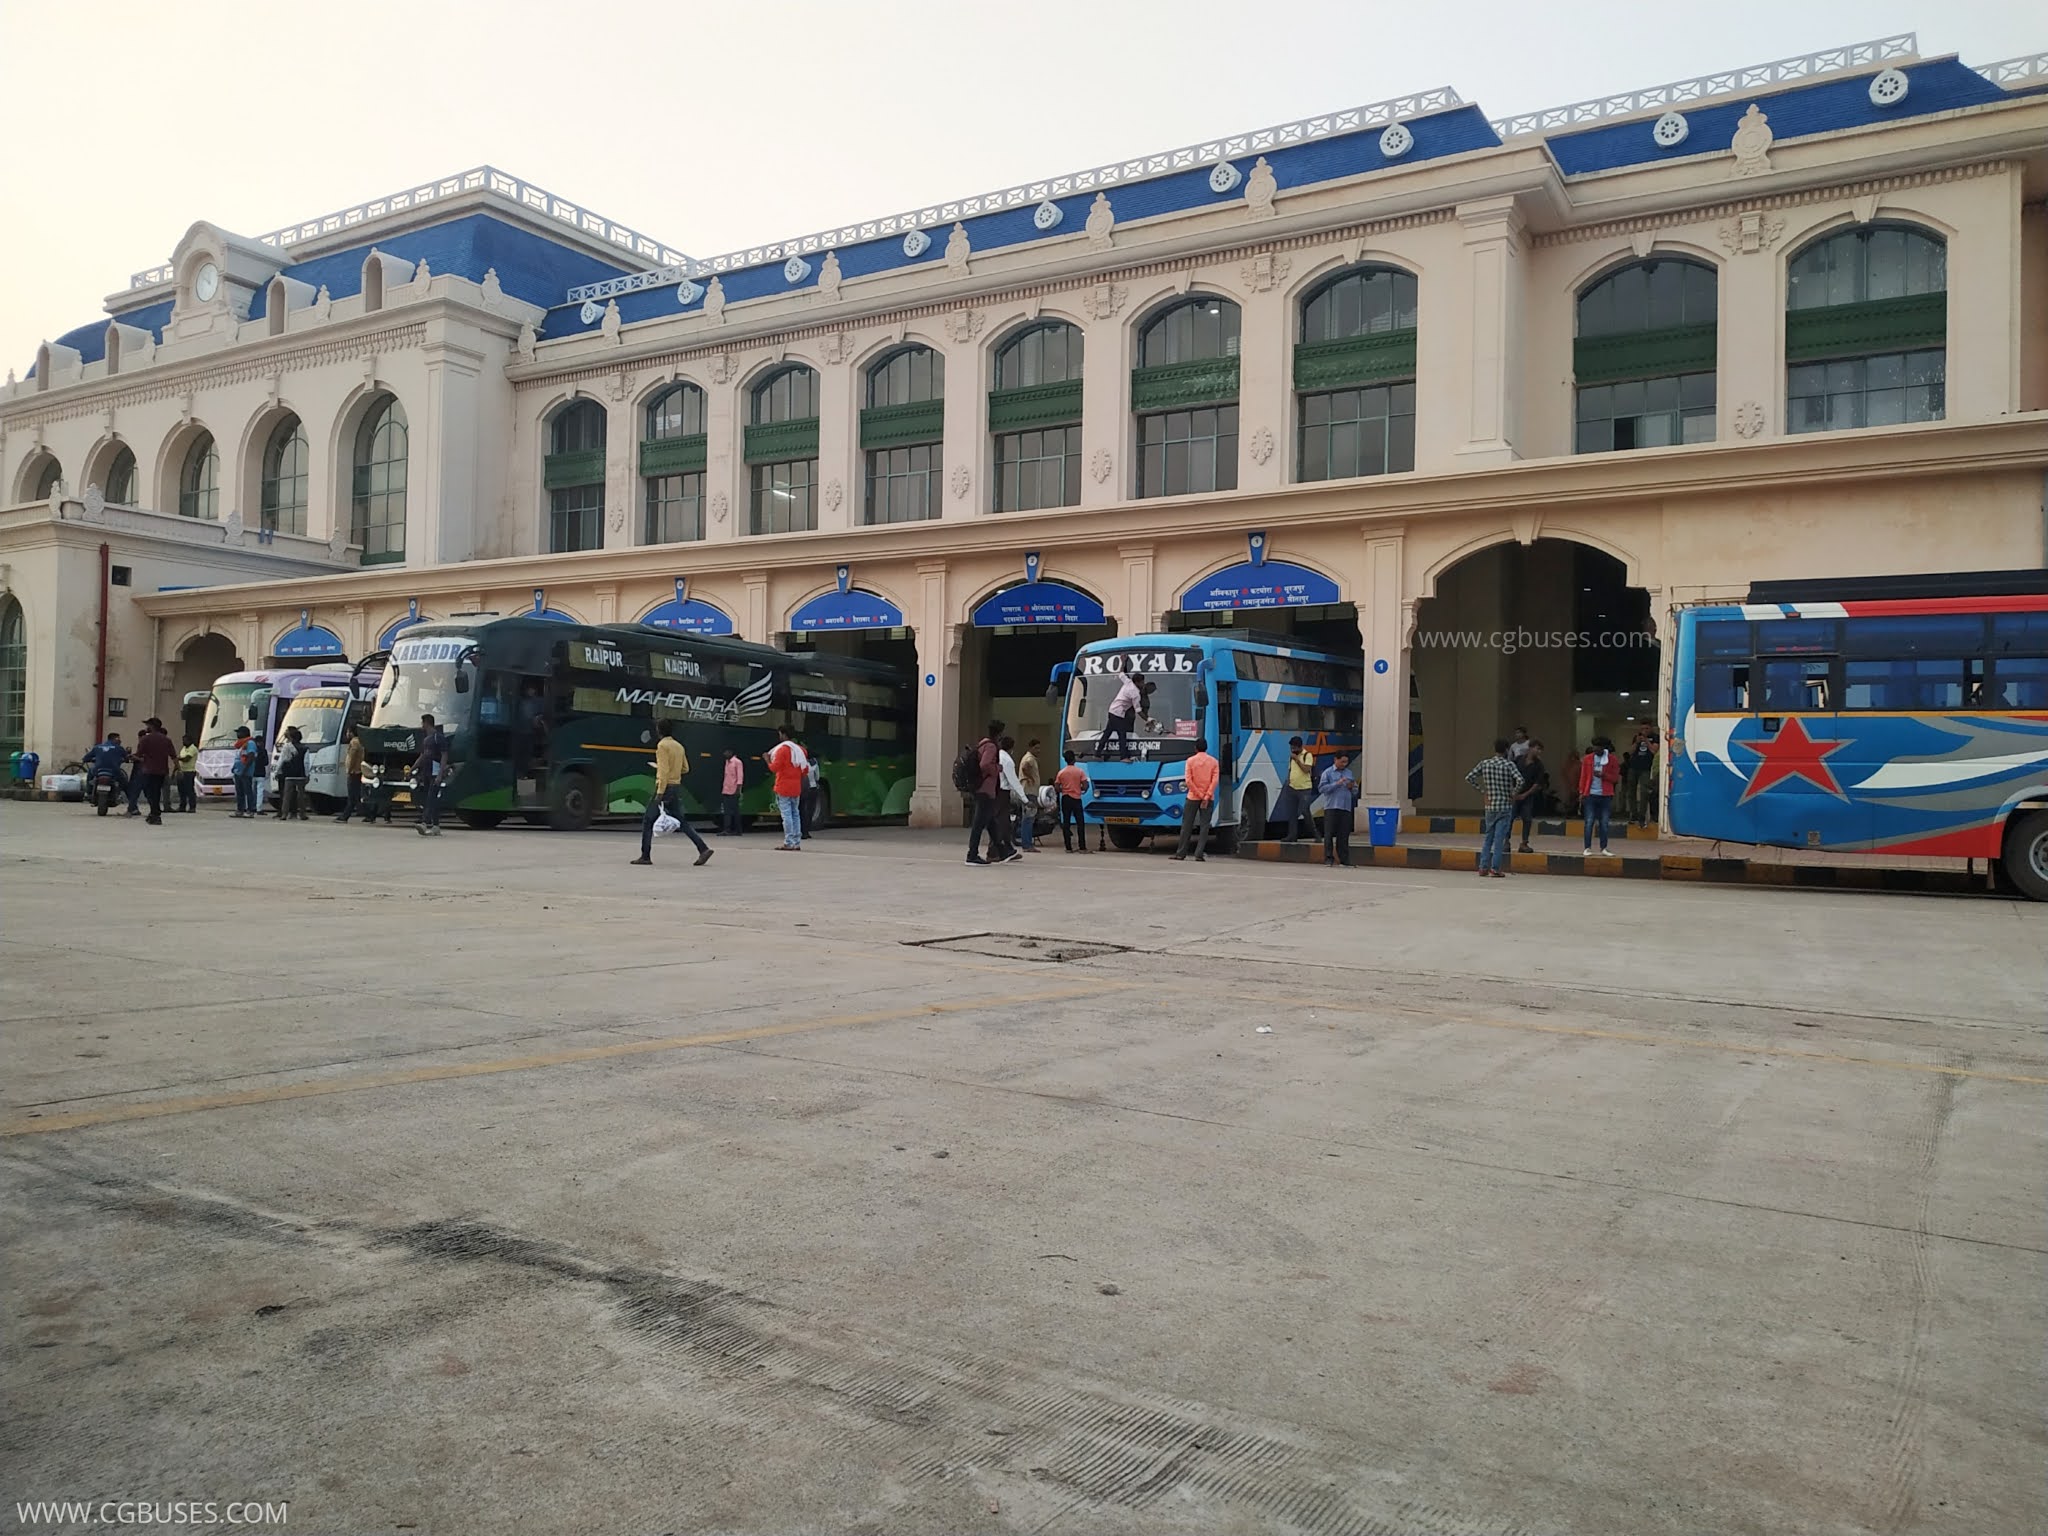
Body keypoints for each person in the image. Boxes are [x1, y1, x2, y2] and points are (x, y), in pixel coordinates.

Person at [632, 720, 714, 869]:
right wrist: (673, 772)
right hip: (675, 786)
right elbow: (685, 768)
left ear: (659, 730)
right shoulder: (679, 746)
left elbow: (663, 772)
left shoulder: (662, 746)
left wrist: (659, 793)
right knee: (681, 821)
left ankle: (645, 856)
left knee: (648, 820)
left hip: (665, 788)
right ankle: (703, 848)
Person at [1465, 737, 1522, 879]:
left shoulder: (1485, 763)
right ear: (1507, 750)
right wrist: (1513, 793)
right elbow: (1520, 780)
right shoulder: (1509, 765)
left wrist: (1483, 791)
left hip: (1490, 806)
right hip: (1504, 805)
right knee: (1499, 839)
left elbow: (1470, 777)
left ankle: (1483, 867)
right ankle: (1495, 868)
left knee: (1488, 837)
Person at [964, 720, 1019, 865]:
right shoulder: (991, 746)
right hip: (984, 789)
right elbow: (984, 765)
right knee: (979, 823)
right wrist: (997, 768)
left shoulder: (982, 744)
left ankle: (1004, 851)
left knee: (991, 822)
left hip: (982, 788)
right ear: (1000, 733)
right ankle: (972, 855)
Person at [1170, 738, 1220, 861]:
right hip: (1208, 799)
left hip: (1192, 797)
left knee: (1187, 825)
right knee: (1204, 827)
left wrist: (1199, 794)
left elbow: (1188, 781)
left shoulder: (1190, 761)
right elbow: (1215, 781)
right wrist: (1206, 796)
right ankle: (1199, 854)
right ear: (1206, 748)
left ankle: (1181, 853)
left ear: (1195, 748)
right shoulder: (1214, 762)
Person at [766, 726, 809, 851]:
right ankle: (796, 842)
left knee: (787, 815)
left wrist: (767, 760)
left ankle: (788, 842)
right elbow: (804, 770)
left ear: (784, 735)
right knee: (795, 814)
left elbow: (774, 768)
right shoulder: (801, 750)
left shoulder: (782, 750)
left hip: (783, 786)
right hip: (796, 787)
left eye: (780, 734)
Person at [1580, 734, 1622, 856]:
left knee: (1604, 822)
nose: (1595, 749)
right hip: (1590, 794)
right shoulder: (1587, 759)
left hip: (1606, 794)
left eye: (1598, 747)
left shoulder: (1612, 759)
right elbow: (1583, 776)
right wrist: (1581, 792)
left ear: (1604, 747)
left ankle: (1604, 847)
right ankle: (1587, 847)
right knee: (1589, 821)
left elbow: (1615, 778)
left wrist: (1603, 776)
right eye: (1594, 746)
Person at [1318, 753, 1358, 868]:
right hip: (1332, 807)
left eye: (1346, 762)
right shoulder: (1328, 773)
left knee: (1344, 835)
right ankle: (1328, 858)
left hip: (1345, 807)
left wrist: (1352, 787)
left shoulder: (1349, 773)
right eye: (1342, 762)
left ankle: (1344, 859)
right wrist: (1337, 784)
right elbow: (1322, 789)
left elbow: (1355, 790)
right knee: (1329, 834)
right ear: (1336, 760)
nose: (1344, 764)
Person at [132, 720, 176, 825]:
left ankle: (155, 814)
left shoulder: (145, 739)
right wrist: (178, 769)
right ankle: (154, 813)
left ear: (151, 726)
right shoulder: (167, 740)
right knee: (156, 792)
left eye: (147, 725)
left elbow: (139, 754)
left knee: (150, 793)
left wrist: (132, 756)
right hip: (162, 771)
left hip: (149, 770)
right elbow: (173, 756)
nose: (146, 727)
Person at [1276, 735, 1317, 843]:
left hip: (1304, 788)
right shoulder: (1291, 757)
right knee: (1292, 813)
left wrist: (1297, 760)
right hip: (1292, 787)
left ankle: (1315, 834)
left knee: (1304, 811)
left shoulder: (1307, 755)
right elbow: (1290, 770)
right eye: (1291, 748)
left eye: (1295, 748)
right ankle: (1292, 835)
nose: (1293, 750)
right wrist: (1288, 781)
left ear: (1300, 747)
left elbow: (1306, 769)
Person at [414, 713, 449, 837]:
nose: (421, 725)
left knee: (430, 798)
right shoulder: (426, 739)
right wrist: (413, 768)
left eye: (422, 723)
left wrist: (440, 774)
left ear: (427, 723)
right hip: (427, 772)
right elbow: (423, 756)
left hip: (435, 772)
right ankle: (436, 826)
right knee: (431, 799)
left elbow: (444, 755)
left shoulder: (438, 738)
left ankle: (424, 822)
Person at [998, 735, 1034, 853]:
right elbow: (1013, 781)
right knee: (1004, 823)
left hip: (994, 791)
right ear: (1011, 748)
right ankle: (1005, 849)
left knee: (996, 822)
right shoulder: (1007, 760)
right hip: (1002, 792)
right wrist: (1025, 799)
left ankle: (999, 849)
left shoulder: (997, 755)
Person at [1513, 739, 1549, 853]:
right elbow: (1510, 775)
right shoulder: (1518, 760)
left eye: (1540, 750)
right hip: (1514, 795)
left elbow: (1537, 783)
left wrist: (1525, 794)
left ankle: (1524, 843)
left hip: (1528, 796)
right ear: (1530, 747)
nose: (1539, 752)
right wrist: (1512, 792)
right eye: (1537, 749)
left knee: (1527, 819)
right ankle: (1505, 841)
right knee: (1509, 819)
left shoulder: (1539, 765)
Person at [1101, 672, 1147, 760]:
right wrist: (1147, 719)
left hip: (1112, 710)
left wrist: (1122, 661)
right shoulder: (1136, 694)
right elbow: (1138, 710)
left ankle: (1097, 753)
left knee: (1107, 733)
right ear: (1137, 682)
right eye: (1142, 682)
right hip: (1118, 713)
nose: (1143, 684)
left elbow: (1121, 674)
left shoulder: (1128, 682)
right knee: (1122, 735)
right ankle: (1123, 757)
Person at [1053, 749, 1090, 853]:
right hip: (1076, 799)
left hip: (1065, 798)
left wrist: (1064, 789)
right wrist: (1080, 788)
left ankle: (1068, 847)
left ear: (1065, 760)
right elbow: (1085, 785)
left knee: (1066, 822)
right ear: (1074, 759)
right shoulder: (1079, 771)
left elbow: (1056, 787)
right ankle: (1082, 847)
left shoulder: (1061, 772)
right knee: (1080, 823)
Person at [1624, 726, 1659, 828]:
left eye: (1647, 728)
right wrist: (1637, 742)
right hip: (1633, 767)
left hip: (1646, 768)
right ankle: (1633, 814)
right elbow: (1630, 752)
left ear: (1651, 728)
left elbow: (1654, 751)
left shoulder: (1655, 737)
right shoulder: (1636, 738)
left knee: (1644, 791)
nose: (1644, 730)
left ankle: (1642, 815)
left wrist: (1647, 741)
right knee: (1631, 791)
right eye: (1642, 728)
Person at [84, 731, 129, 811]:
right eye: (119, 739)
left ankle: (88, 792)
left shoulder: (97, 747)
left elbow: (86, 758)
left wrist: (91, 759)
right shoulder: (119, 748)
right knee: (125, 783)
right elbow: (127, 758)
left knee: (90, 774)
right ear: (115, 739)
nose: (120, 740)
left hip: (98, 770)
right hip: (114, 771)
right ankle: (128, 801)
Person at [274, 726, 309, 821]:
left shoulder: (287, 746)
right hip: (300, 774)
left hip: (289, 774)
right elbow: (306, 763)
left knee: (287, 795)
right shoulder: (305, 748)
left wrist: (277, 771)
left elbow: (282, 760)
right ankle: (302, 814)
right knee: (301, 795)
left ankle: (284, 814)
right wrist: (307, 774)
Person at [1016, 738, 1043, 851]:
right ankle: (1027, 844)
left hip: (1029, 791)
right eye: (1036, 748)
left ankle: (1026, 843)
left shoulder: (1029, 758)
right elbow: (1024, 767)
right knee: (1029, 818)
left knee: (1027, 818)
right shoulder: (1029, 759)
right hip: (1029, 792)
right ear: (1030, 748)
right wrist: (1030, 778)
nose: (1038, 750)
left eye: (1039, 748)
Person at [334, 728, 366, 822]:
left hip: (354, 771)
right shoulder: (360, 741)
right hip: (358, 770)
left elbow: (352, 757)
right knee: (356, 796)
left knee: (352, 796)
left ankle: (345, 816)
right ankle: (369, 814)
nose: (347, 734)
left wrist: (349, 769)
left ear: (351, 733)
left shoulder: (354, 743)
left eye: (348, 732)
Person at [229, 726, 261, 818]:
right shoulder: (240, 744)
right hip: (238, 771)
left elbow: (251, 757)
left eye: (239, 732)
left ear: (244, 733)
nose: (237, 734)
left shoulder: (250, 743)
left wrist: (245, 770)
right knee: (239, 792)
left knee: (248, 791)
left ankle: (250, 810)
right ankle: (240, 810)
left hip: (245, 772)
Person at [719, 749, 745, 835]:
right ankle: (727, 829)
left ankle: (738, 830)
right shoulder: (727, 762)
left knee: (735, 811)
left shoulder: (737, 762)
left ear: (731, 753)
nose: (725, 754)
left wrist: (738, 789)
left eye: (727, 752)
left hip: (734, 790)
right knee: (726, 811)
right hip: (726, 789)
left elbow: (740, 776)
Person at [174, 736, 199, 813]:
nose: (183, 742)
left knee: (189, 790)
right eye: (183, 740)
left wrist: (177, 758)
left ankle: (192, 807)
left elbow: (186, 759)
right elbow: (178, 762)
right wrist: (175, 771)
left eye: (185, 740)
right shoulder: (183, 749)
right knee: (181, 791)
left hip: (189, 772)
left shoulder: (193, 748)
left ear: (190, 740)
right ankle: (182, 806)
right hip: (181, 771)